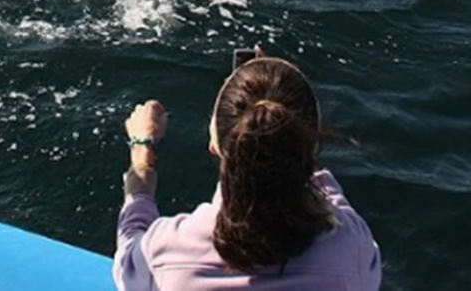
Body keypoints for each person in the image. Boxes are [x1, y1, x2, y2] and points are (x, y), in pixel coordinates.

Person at [114, 53, 382, 291]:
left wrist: (142, 152)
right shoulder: (352, 248)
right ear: (310, 147)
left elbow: (127, 260)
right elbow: (328, 203)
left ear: (215, 144)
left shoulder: (165, 252)